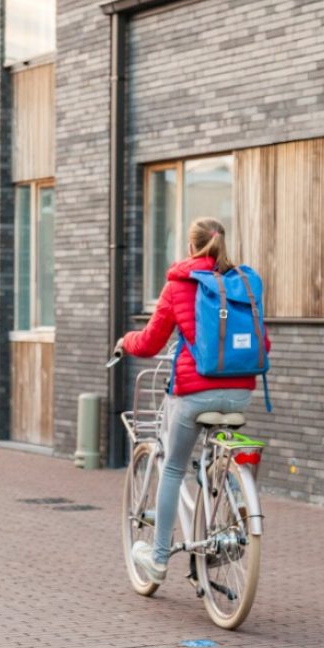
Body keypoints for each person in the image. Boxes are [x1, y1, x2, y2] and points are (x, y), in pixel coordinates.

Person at [116, 217, 269, 583]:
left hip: (194, 393)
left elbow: (151, 342)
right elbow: (263, 342)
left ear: (190, 247)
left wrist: (125, 341)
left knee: (172, 467)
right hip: (241, 392)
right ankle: (232, 509)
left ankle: (158, 559)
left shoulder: (177, 285)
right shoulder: (241, 283)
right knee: (217, 458)